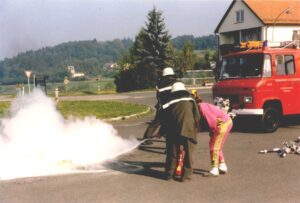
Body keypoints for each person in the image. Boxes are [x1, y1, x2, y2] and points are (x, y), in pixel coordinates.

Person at [160, 82, 200, 181]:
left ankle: (169, 174)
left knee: (172, 153)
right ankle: (186, 176)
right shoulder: (191, 99)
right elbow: (197, 116)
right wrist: (196, 127)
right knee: (189, 154)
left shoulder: (167, 101)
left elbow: (164, 119)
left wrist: (161, 132)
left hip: (173, 129)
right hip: (189, 128)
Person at [191, 90, 233, 176]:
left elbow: (213, 121)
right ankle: (222, 165)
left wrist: (213, 132)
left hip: (221, 124)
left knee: (213, 147)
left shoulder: (202, 108)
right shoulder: (203, 105)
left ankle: (215, 169)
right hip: (226, 122)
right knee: (218, 146)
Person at [141, 67, 177, 145]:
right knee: (170, 124)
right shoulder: (174, 83)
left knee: (155, 123)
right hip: (170, 106)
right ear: (170, 75)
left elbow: (158, 96)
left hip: (161, 106)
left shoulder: (159, 84)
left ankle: (146, 138)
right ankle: (169, 140)